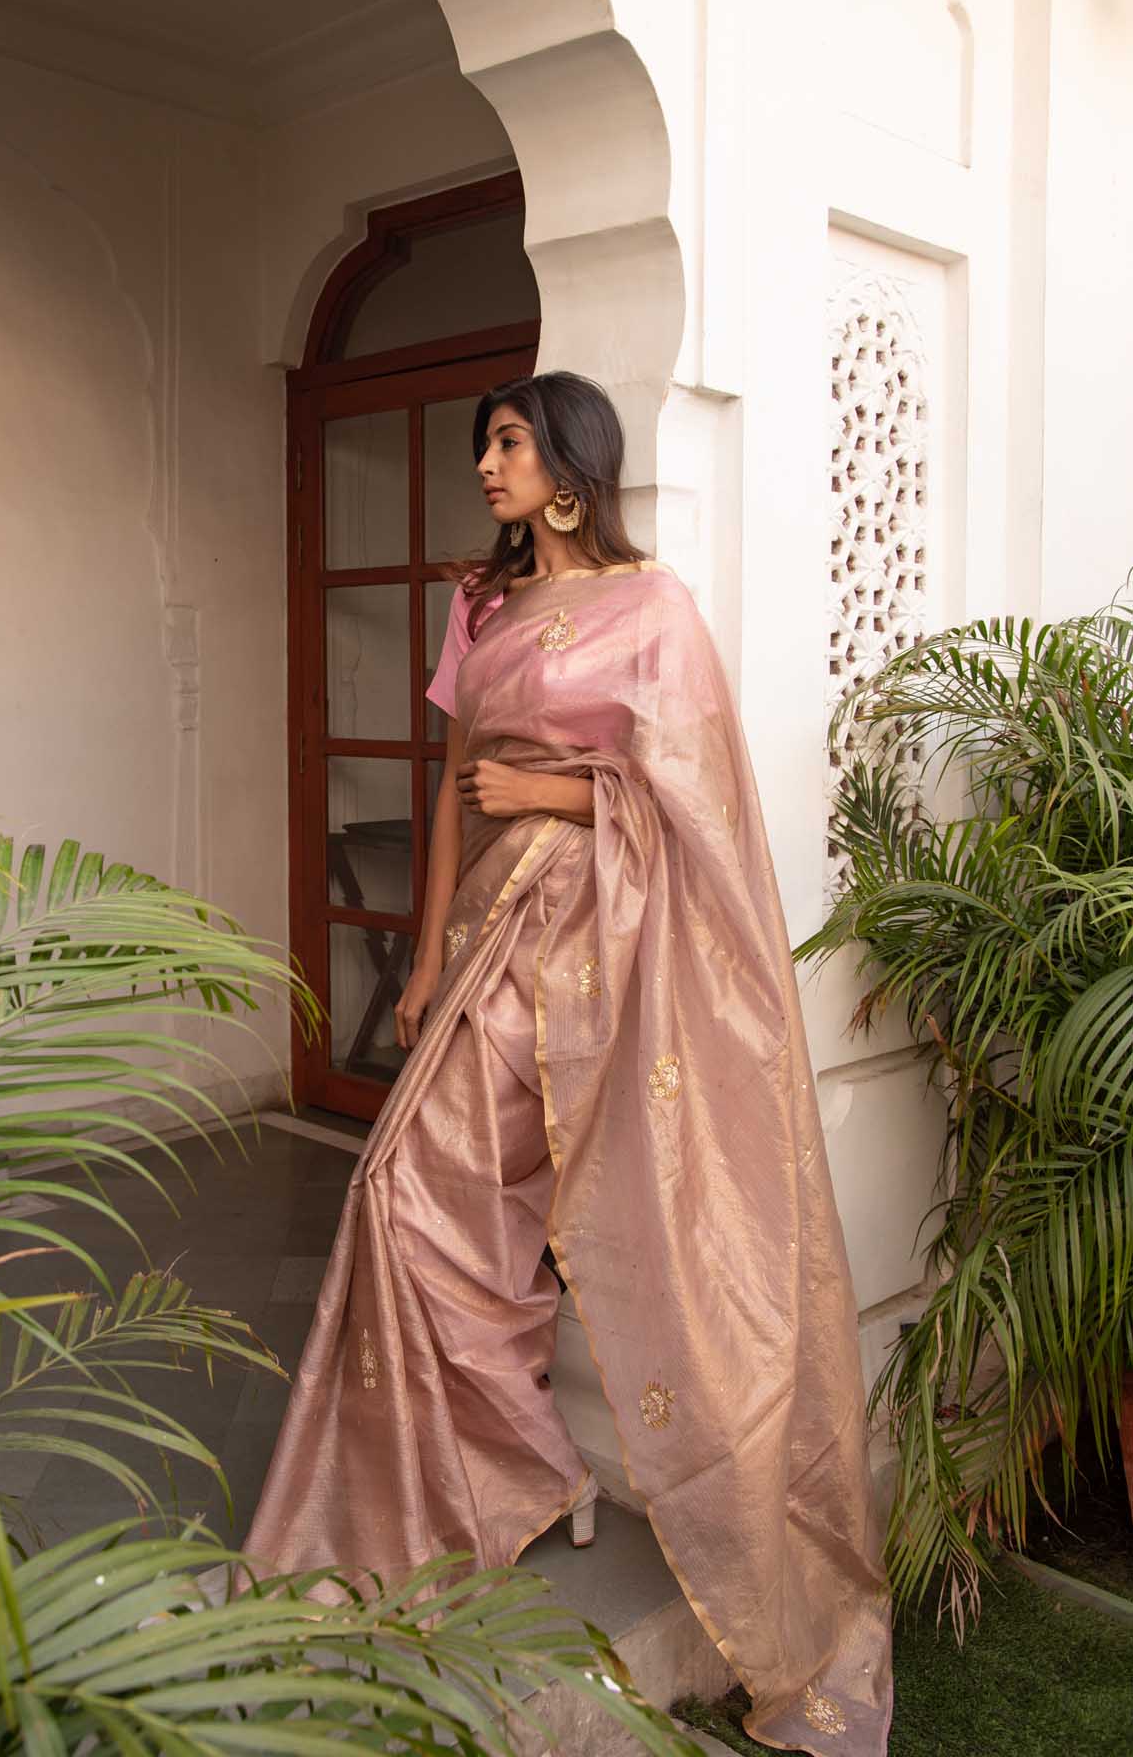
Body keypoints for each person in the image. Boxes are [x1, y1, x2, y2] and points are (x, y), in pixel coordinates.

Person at [240, 371, 894, 1756]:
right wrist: (424, 956)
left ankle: (548, 1479)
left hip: (606, 952)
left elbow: (701, 804)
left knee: (539, 1213)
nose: (487, 464)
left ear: (572, 468)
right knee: (416, 1201)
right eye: (484, 443)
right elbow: (450, 788)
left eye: (510, 442)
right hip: (489, 934)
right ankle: (522, 1473)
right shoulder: (479, 608)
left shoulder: (653, 609)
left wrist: (553, 791)